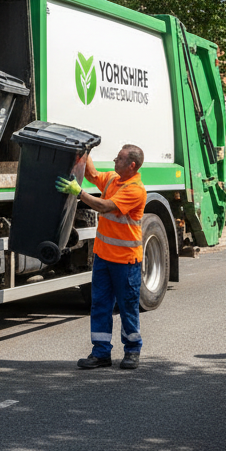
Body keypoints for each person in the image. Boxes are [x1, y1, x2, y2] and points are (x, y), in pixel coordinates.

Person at [56, 144, 147, 370]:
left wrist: (80, 193)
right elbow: (91, 174)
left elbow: (105, 206)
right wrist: (84, 151)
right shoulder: (112, 179)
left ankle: (132, 351)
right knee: (100, 305)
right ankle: (101, 353)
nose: (114, 161)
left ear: (131, 165)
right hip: (104, 258)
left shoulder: (135, 189)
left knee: (127, 307)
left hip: (126, 261)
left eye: (119, 159)